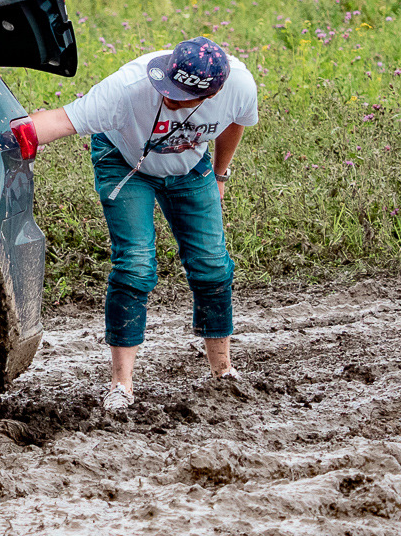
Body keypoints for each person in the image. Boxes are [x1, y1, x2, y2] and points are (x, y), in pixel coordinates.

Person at [25, 36, 258, 411]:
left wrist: (220, 174)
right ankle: (121, 386)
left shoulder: (240, 86)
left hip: (189, 165)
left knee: (212, 265)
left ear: (212, 94)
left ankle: (223, 371)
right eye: (169, 88)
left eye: (181, 97)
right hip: (124, 162)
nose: (169, 99)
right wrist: (4, 137)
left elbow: (234, 123)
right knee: (135, 264)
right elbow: (59, 120)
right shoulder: (128, 87)